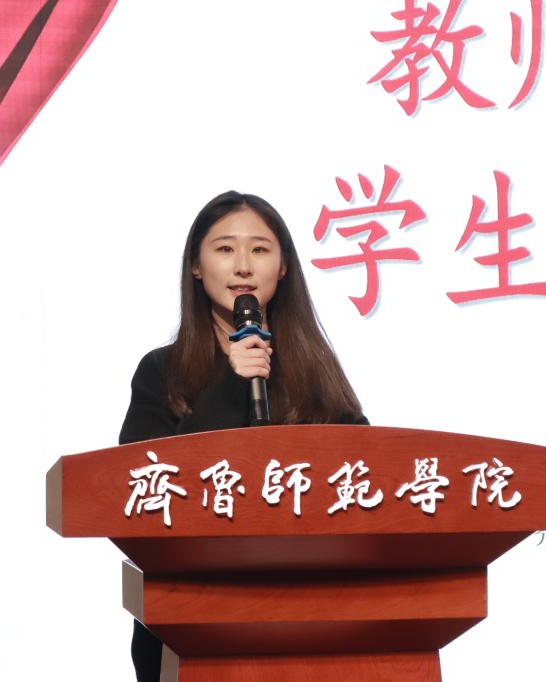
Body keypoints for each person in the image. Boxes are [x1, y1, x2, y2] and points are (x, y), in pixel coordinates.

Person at [118, 190, 368, 682]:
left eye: (259, 249)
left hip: (309, 615)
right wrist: (230, 386)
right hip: (190, 614)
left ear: (283, 266)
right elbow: (137, 492)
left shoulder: (315, 370)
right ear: (196, 265)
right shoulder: (162, 371)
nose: (243, 267)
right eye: (225, 249)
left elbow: (366, 474)